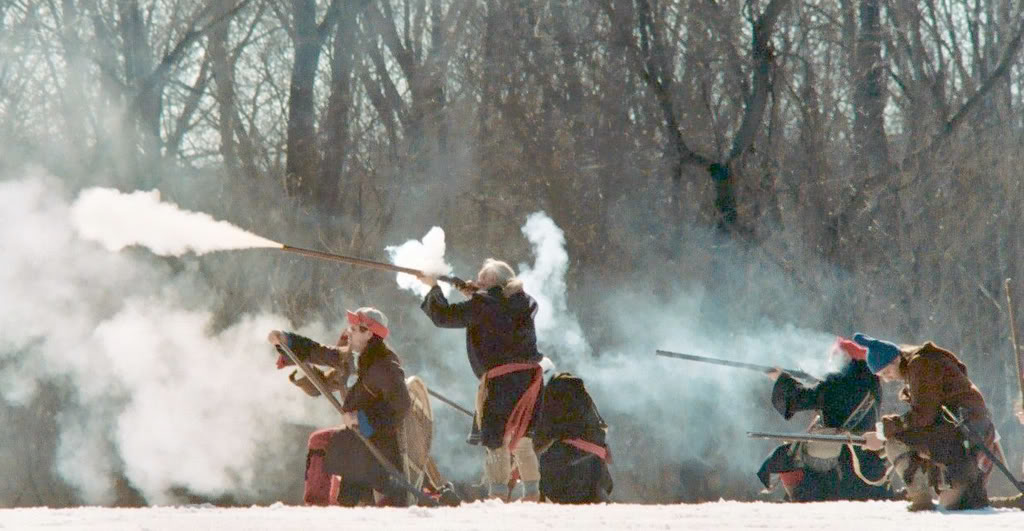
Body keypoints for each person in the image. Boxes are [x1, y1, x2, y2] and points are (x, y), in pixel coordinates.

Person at [418, 258, 544, 501]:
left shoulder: (484, 303)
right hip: (530, 380)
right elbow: (496, 308)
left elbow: (443, 316)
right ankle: (532, 495)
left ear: (492, 281)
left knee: (496, 441)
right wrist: (475, 294)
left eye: (481, 278)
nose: (476, 281)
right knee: (523, 441)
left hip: (501, 383)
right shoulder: (523, 301)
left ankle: (497, 496)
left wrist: (433, 287)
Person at [269, 307, 412, 506]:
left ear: (369, 333)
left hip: (381, 443)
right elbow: (317, 351)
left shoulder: (385, 366)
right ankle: (315, 506)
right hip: (357, 438)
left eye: (354, 329)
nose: (348, 332)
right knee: (322, 442)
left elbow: (401, 405)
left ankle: (321, 505)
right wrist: (287, 340)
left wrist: (361, 419)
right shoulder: (351, 357)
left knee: (324, 443)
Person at [857, 333, 994, 511]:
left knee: (895, 441)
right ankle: (954, 489)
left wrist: (884, 432)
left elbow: (923, 416)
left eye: (887, 371)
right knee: (953, 504)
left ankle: (921, 500)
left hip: (965, 434)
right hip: (966, 432)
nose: (887, 378)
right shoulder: (921, 363)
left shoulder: (921, 364)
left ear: (897, 359)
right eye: (881, 375)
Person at [755, 337, 892, 502]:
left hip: (839, 464)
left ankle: (800, 497)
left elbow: (800, 399)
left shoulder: (838, 383)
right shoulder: (871, 380)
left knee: (787, 455)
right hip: (868, 460)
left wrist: (780, 378)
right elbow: (827, 391)